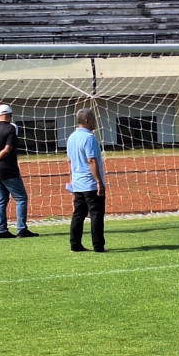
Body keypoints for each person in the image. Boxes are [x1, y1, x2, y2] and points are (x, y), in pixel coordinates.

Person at [0, 104, 38, 238]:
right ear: (10, 115)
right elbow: (8, 149)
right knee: (21, 198)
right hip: (8, 169)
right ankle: (21, 229)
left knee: (1, 200)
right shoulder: (11, 128)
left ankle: (2, 230)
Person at [67, 107, 107, 253]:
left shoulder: (71, 137)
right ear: (87, 120)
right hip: (90, 183)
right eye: (94, 119)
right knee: (96, 214)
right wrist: (99, 182)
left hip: (78, 183)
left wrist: (71, 179)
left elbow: (70, 161)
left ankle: (75, 244)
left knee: (78, 214)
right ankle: (98, 245)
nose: (95, 122)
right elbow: (91, 160)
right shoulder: (89, 138)